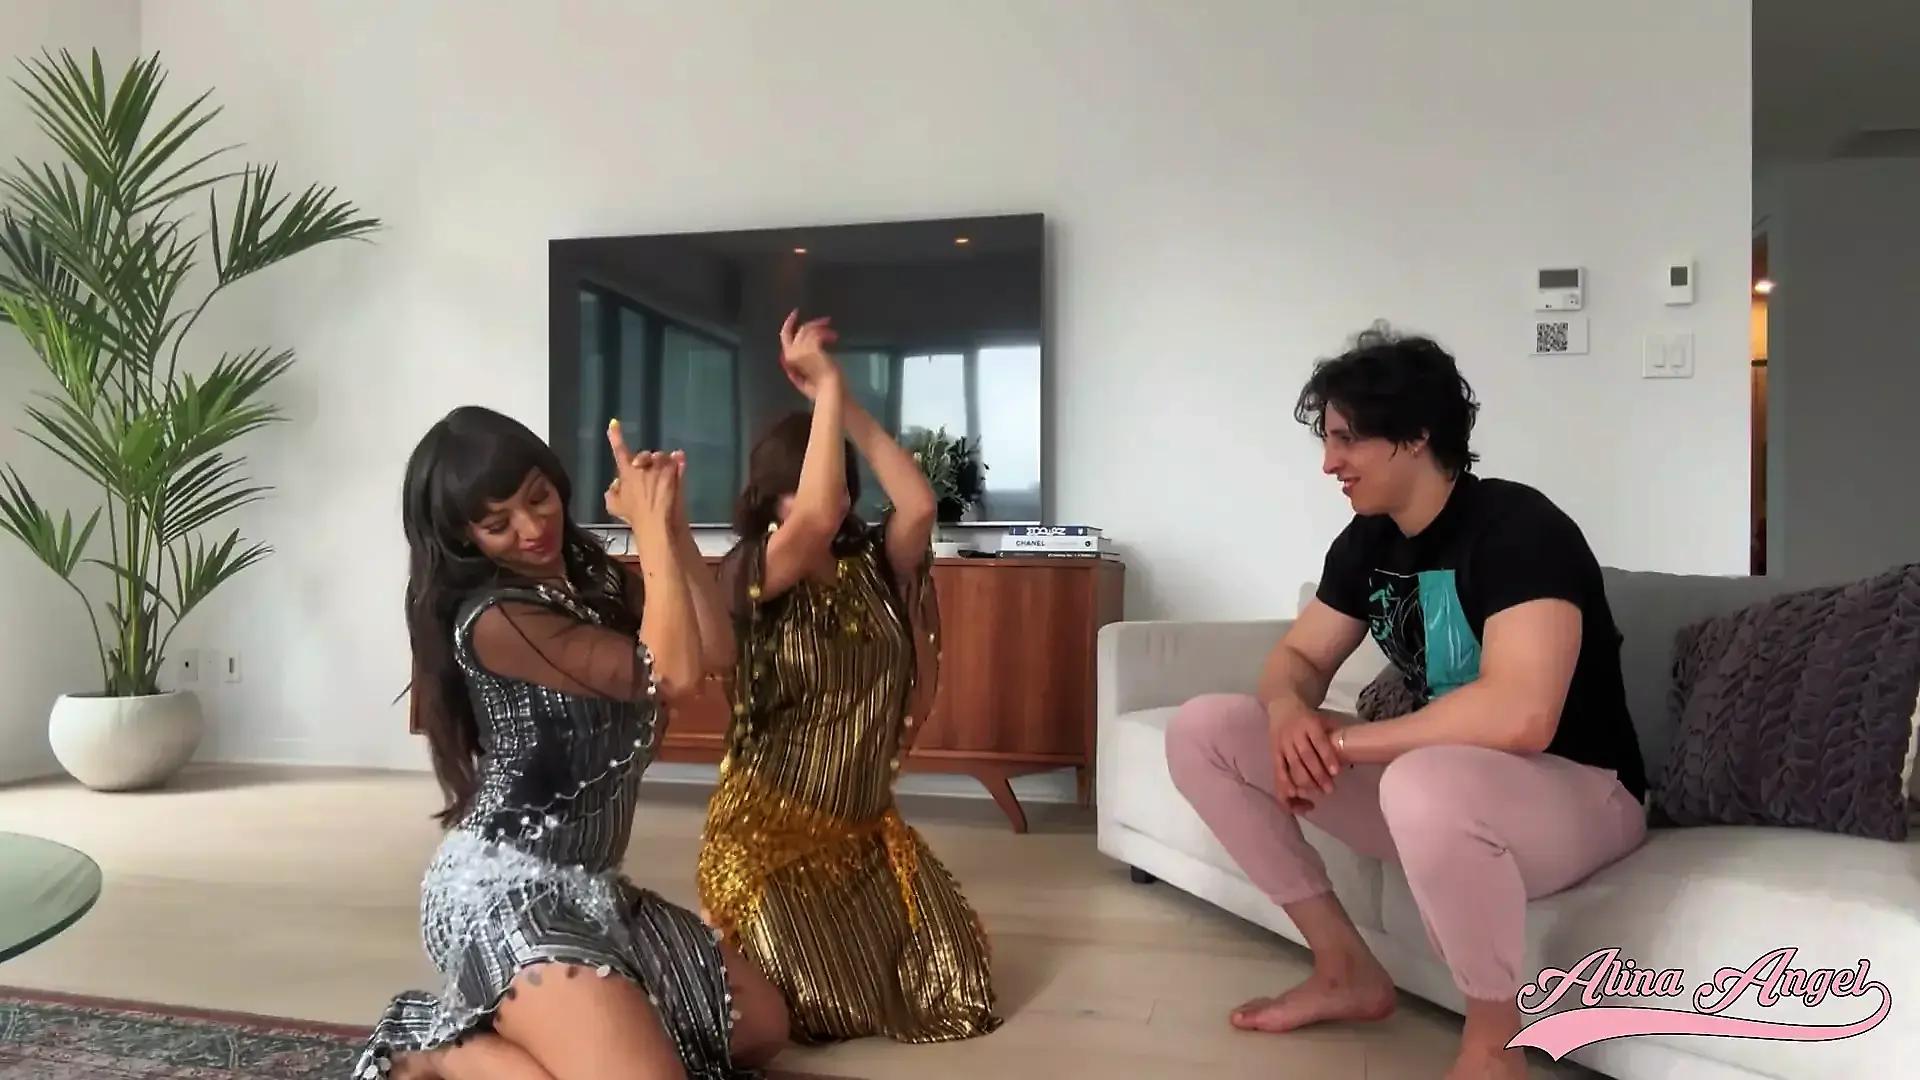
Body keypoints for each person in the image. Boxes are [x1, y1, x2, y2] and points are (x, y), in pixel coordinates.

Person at [1162, 325, 1649, 1080]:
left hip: (1581, 794)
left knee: (1425, 779)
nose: (1329, 463)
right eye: (1327, 440)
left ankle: (1495, 1047)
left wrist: (1339, 744)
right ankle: (1344, 970)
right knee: (1207, 730)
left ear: (1417, 435)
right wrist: (1289, 715)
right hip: (1441, 795)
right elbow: (1298, 659)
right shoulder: (1368, 542)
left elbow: (1522, 714)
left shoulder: (1521, 528)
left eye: (1348, 439)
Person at [351, 405, 790, 1080]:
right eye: (498, 523)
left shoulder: (593, 580)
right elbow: (665, 674)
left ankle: (559, 1030)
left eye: (538, 497)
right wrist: (646, 527)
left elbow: (715, 651)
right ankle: (441, 1050)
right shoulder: (496, 617)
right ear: (465, 536)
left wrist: (671, 526)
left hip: (592, 885)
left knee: (760, 1028)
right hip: (498, 894)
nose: (532, 528)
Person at [695, 312, 1002, 1045]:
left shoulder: (874, 564)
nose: (830, 504)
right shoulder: (753, 570)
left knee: (955, 978)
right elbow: (808, 523)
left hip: (862, 831)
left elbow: (919, 504)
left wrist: (841, 395)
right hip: (769, 835)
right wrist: (825, 396)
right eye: (805, 489)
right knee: (813, 1000)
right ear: (769, 498)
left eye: (839, 489)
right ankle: (719, 936)